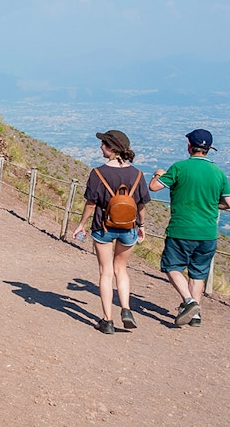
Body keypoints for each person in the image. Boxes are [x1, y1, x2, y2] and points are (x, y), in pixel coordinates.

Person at [149, 129, 230, 328]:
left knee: (172, 267)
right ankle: (195, 316)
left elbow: (154, 187)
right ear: (209, 149)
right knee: (198, 274)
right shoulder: (218, 173)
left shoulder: (179, 168)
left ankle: (189, 303)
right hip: (207, 233)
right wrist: (213, 204)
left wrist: (158, 174)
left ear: (189, 146)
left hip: (181, 229)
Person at [72, 131, 151, 334]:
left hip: (103, 228)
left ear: (111, 148)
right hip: (129, 228)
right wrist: (141, 226)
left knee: (105, 272)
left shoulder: (98, 173)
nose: (101, 148)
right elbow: (141, 205)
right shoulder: (138, 174)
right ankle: (126, 308)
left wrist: (81, 224)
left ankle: (107, 320)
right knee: (121, 270)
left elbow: (91, 204)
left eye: (103, 144)